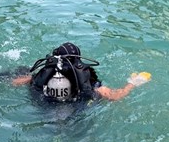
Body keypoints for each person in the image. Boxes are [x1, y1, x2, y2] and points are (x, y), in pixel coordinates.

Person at [12, 42, 150, 102]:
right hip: (76, 115)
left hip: (46, 109)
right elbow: (115, 97)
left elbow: (15, 82)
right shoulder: (88, 82)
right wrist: (133, 83)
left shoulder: (44, 75)